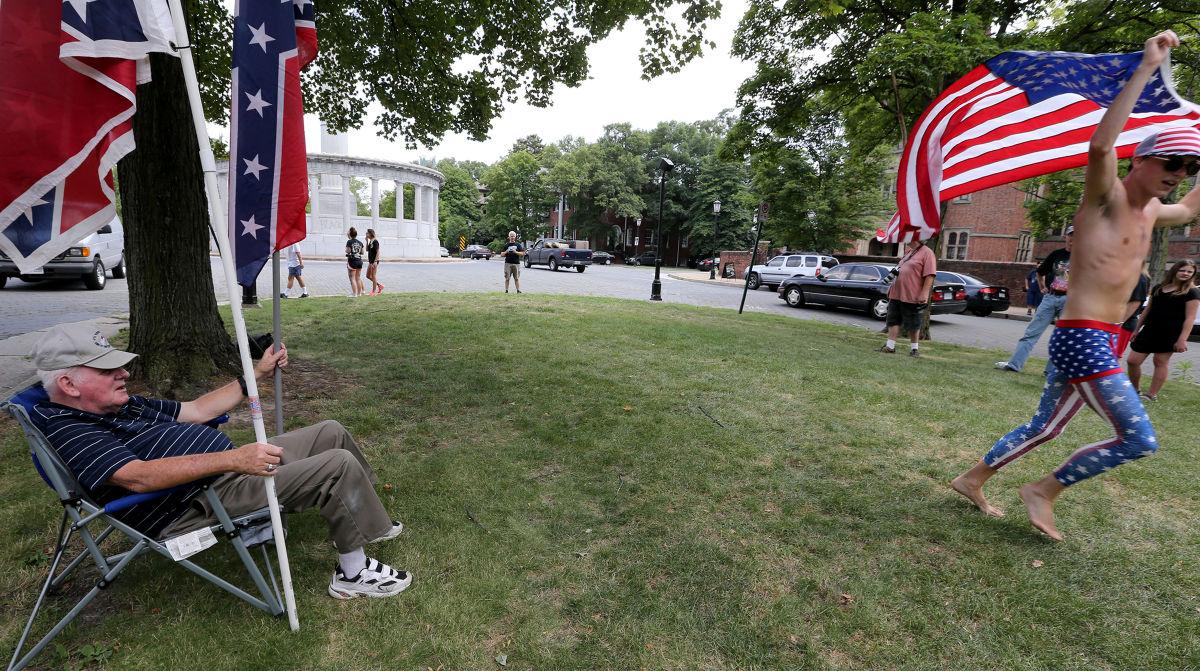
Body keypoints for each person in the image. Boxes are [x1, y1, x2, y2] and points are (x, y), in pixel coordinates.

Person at [951, 31, 1200, 541]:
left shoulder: (1154, 213)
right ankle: (1043, 490)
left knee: (1046, 426)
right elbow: (1100, 144)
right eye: (1172, 163)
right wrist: (1146, 71)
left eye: (1190, 167)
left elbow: (1194, 208)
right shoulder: (1105, 199)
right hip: (1084, 336)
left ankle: (971, 479)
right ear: (1140, 160)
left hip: (1104, 337)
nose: (1179, 174)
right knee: (1138, 438)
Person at [28, 324, 412, 599]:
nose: (124, 373)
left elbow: (195, 410)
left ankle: (364, 517)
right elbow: (136, 478)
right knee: (336, 464)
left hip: (224, 475)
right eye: (107, 369)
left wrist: (256, 374)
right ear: (69, 385)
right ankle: (353, 574)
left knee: (329, 431)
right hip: (196, 503)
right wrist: (234, 458)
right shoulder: (70, 426)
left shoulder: (123, 405)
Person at [996, 228, 1072, 371]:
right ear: (1066, 237)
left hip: (1069, 301)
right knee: (1031, 333)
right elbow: (1040, 272)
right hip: (1051, 298)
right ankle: (1014, 365)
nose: (1074, 238)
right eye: (1071, 235)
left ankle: (1050, 371)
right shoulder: (1057, 254)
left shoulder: (1085, 257)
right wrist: (1042, 286)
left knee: (1061, 338)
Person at [1126, 259, 1199, 400]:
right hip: (1150, 330)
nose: (1185, 273)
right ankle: (1135, 389)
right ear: (1175, 270)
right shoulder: (1159, 287)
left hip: (1171, 333)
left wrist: (1182, 339)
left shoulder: (1192, 292)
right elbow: (1147, 309)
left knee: (1160, 361)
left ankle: (1151, 395)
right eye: (1182, 270)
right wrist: (1136, 329)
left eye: (1190, 272)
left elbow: (1190, 318)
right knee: (1132, 360)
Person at [877, 238, 935, 357]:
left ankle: (914, 350)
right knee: (893, 320)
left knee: (913, 323)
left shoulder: (927, 252)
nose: (905, 238)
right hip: (896, 293)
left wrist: (924, 293)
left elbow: (930, 275)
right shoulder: (909, 252)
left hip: (912, 295)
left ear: (916, 237)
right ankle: (890, 346)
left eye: (908, 236)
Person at [345, 227, 365, 297]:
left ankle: (354, 293)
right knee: (358, 278)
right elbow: (362, 252)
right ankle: (359, 293)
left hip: (352, 261)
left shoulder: (349, 241)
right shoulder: (360, 242)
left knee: (352, 278)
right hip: (359, 261)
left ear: (350, 234)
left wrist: (348, 250)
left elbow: (348, 251)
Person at [365, 229, 384, 296]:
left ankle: (373, 292)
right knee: (367, 276)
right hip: (370, 261)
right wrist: (367, 241)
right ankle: (379, 285)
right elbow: (367, 250)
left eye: (367, 233)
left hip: (374, 261)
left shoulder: (375, 241)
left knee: (373, 276)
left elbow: (378, 252)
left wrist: (375, 261)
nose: (366, 234)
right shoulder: (371, 241)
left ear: (371, 234)